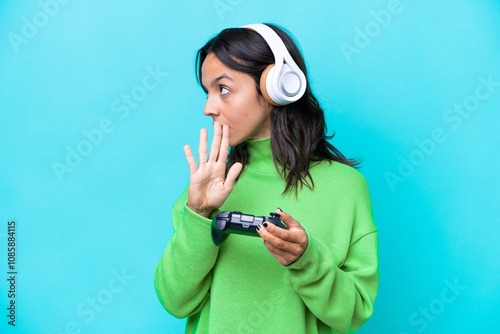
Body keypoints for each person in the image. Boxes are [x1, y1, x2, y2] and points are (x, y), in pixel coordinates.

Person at [154, 23, 378, 333]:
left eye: (223, 89)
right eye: (207, 92)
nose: (208, 108)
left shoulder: (346, 188)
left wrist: (306, 259)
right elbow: (175, 300)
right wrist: (199, 213)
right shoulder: (207, 188)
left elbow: (353, 313)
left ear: (277, 85)